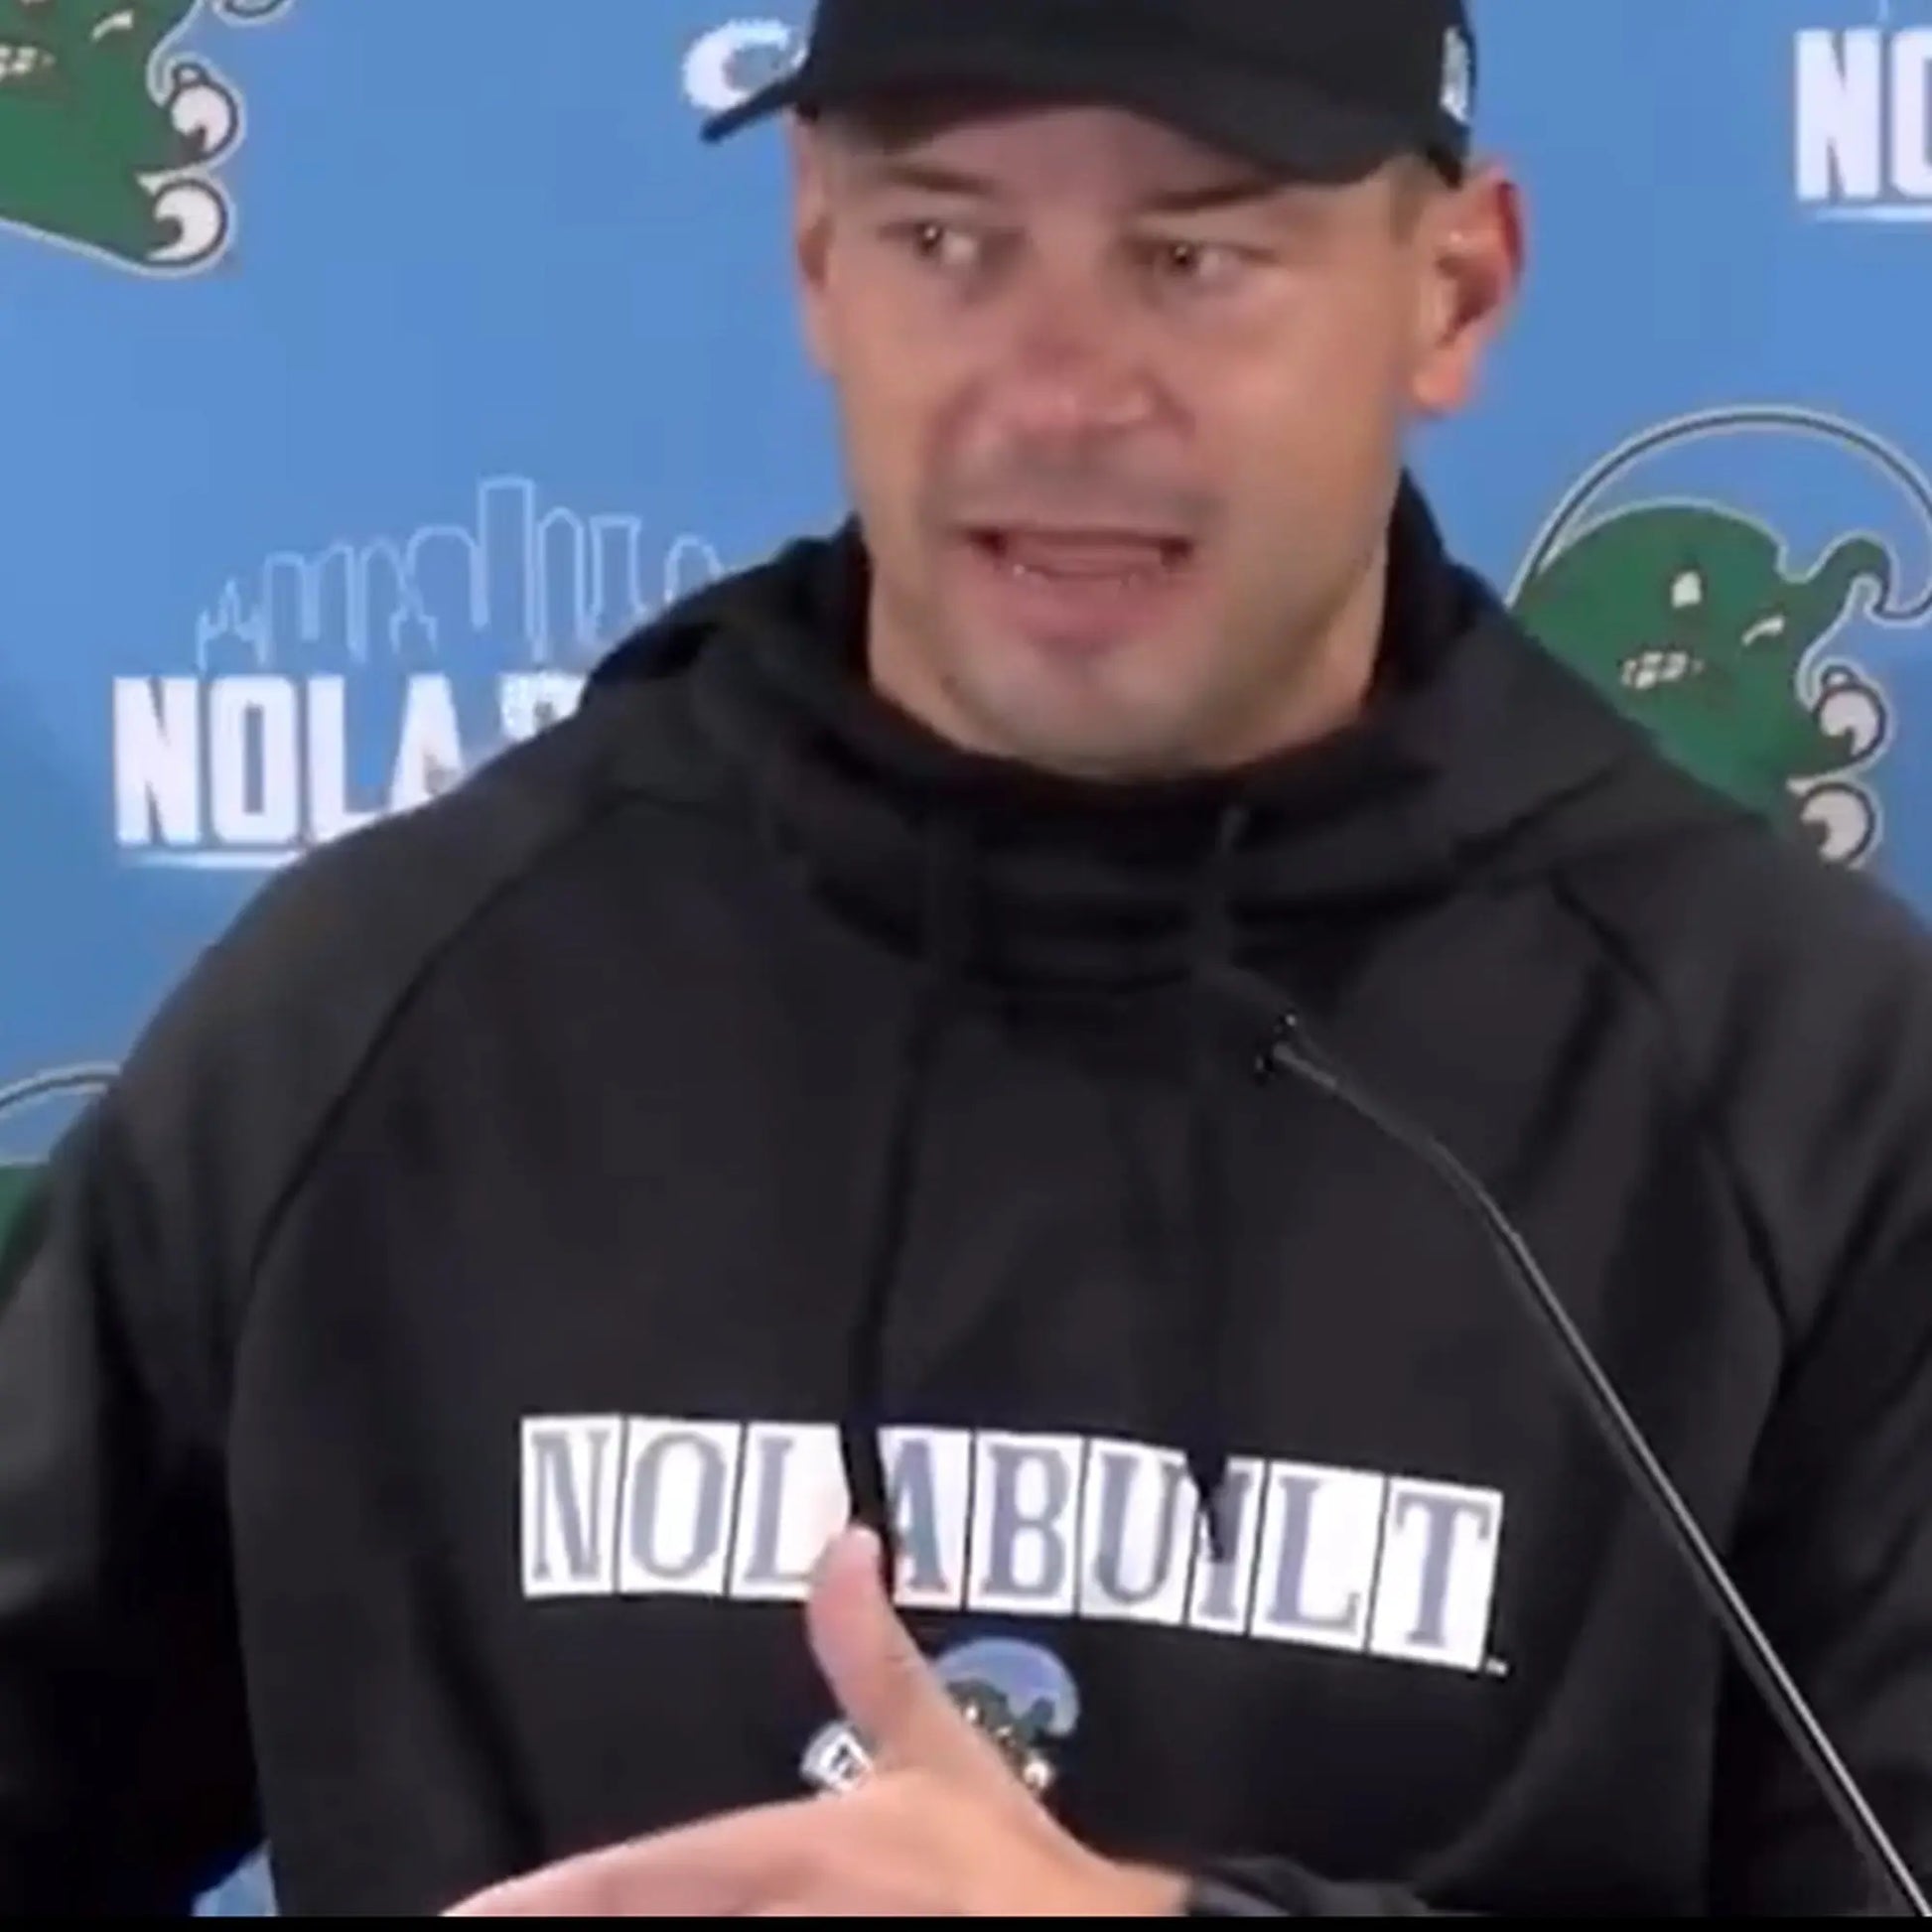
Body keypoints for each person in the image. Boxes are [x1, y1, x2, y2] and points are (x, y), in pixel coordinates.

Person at [4, 0, 1932, 1915]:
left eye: (1191, 259)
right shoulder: (389, 1013)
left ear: (1452, 290)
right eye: (947, 241)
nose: (1060, 396)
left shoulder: (1797, 1077)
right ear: (816, 259)